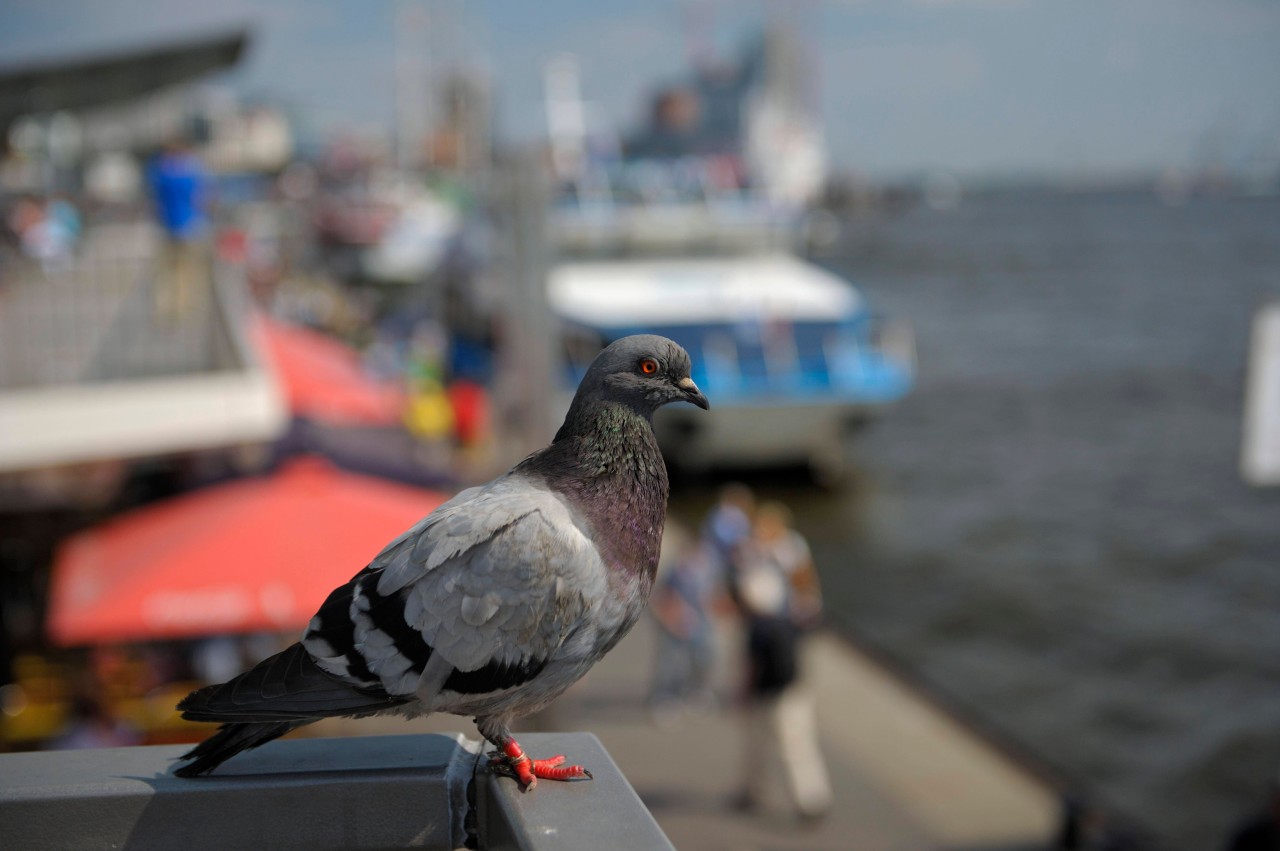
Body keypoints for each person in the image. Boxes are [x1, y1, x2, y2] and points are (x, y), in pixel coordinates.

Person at [729, 501, 832, 821]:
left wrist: (746, 688)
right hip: (787, 677)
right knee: (777, 739)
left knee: (788, 738)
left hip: (777, 683)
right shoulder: (786, 615)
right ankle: (775, 794)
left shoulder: (764, 624)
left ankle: (808, 800)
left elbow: (755, 665)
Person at [646, 529, 722, 725]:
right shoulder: (676, 569)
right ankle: (664, 699)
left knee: (705, 657)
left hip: (701, 621)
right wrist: (670, 616)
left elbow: (714, 592)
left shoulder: (709, 566)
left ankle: (695, 690)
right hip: (677, 621)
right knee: (671, 664)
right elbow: (661, 595)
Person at [147, 139, 210, 322]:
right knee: (188, 271)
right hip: (191, 226)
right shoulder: (189, 173)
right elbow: (203, 196)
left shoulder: (159, 173)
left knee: (166, 272)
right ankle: (184, 309)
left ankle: (164, 309)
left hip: (167, 226)